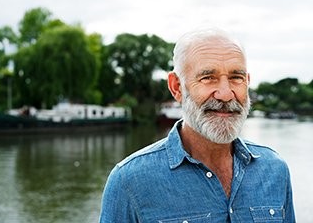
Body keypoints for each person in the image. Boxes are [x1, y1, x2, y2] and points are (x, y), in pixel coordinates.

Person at [99, 28, 296, 222]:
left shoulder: (275, 170)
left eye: (236, 78)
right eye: (208, 78)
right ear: (177, 87)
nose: (226, 94)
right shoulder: (129, 181)